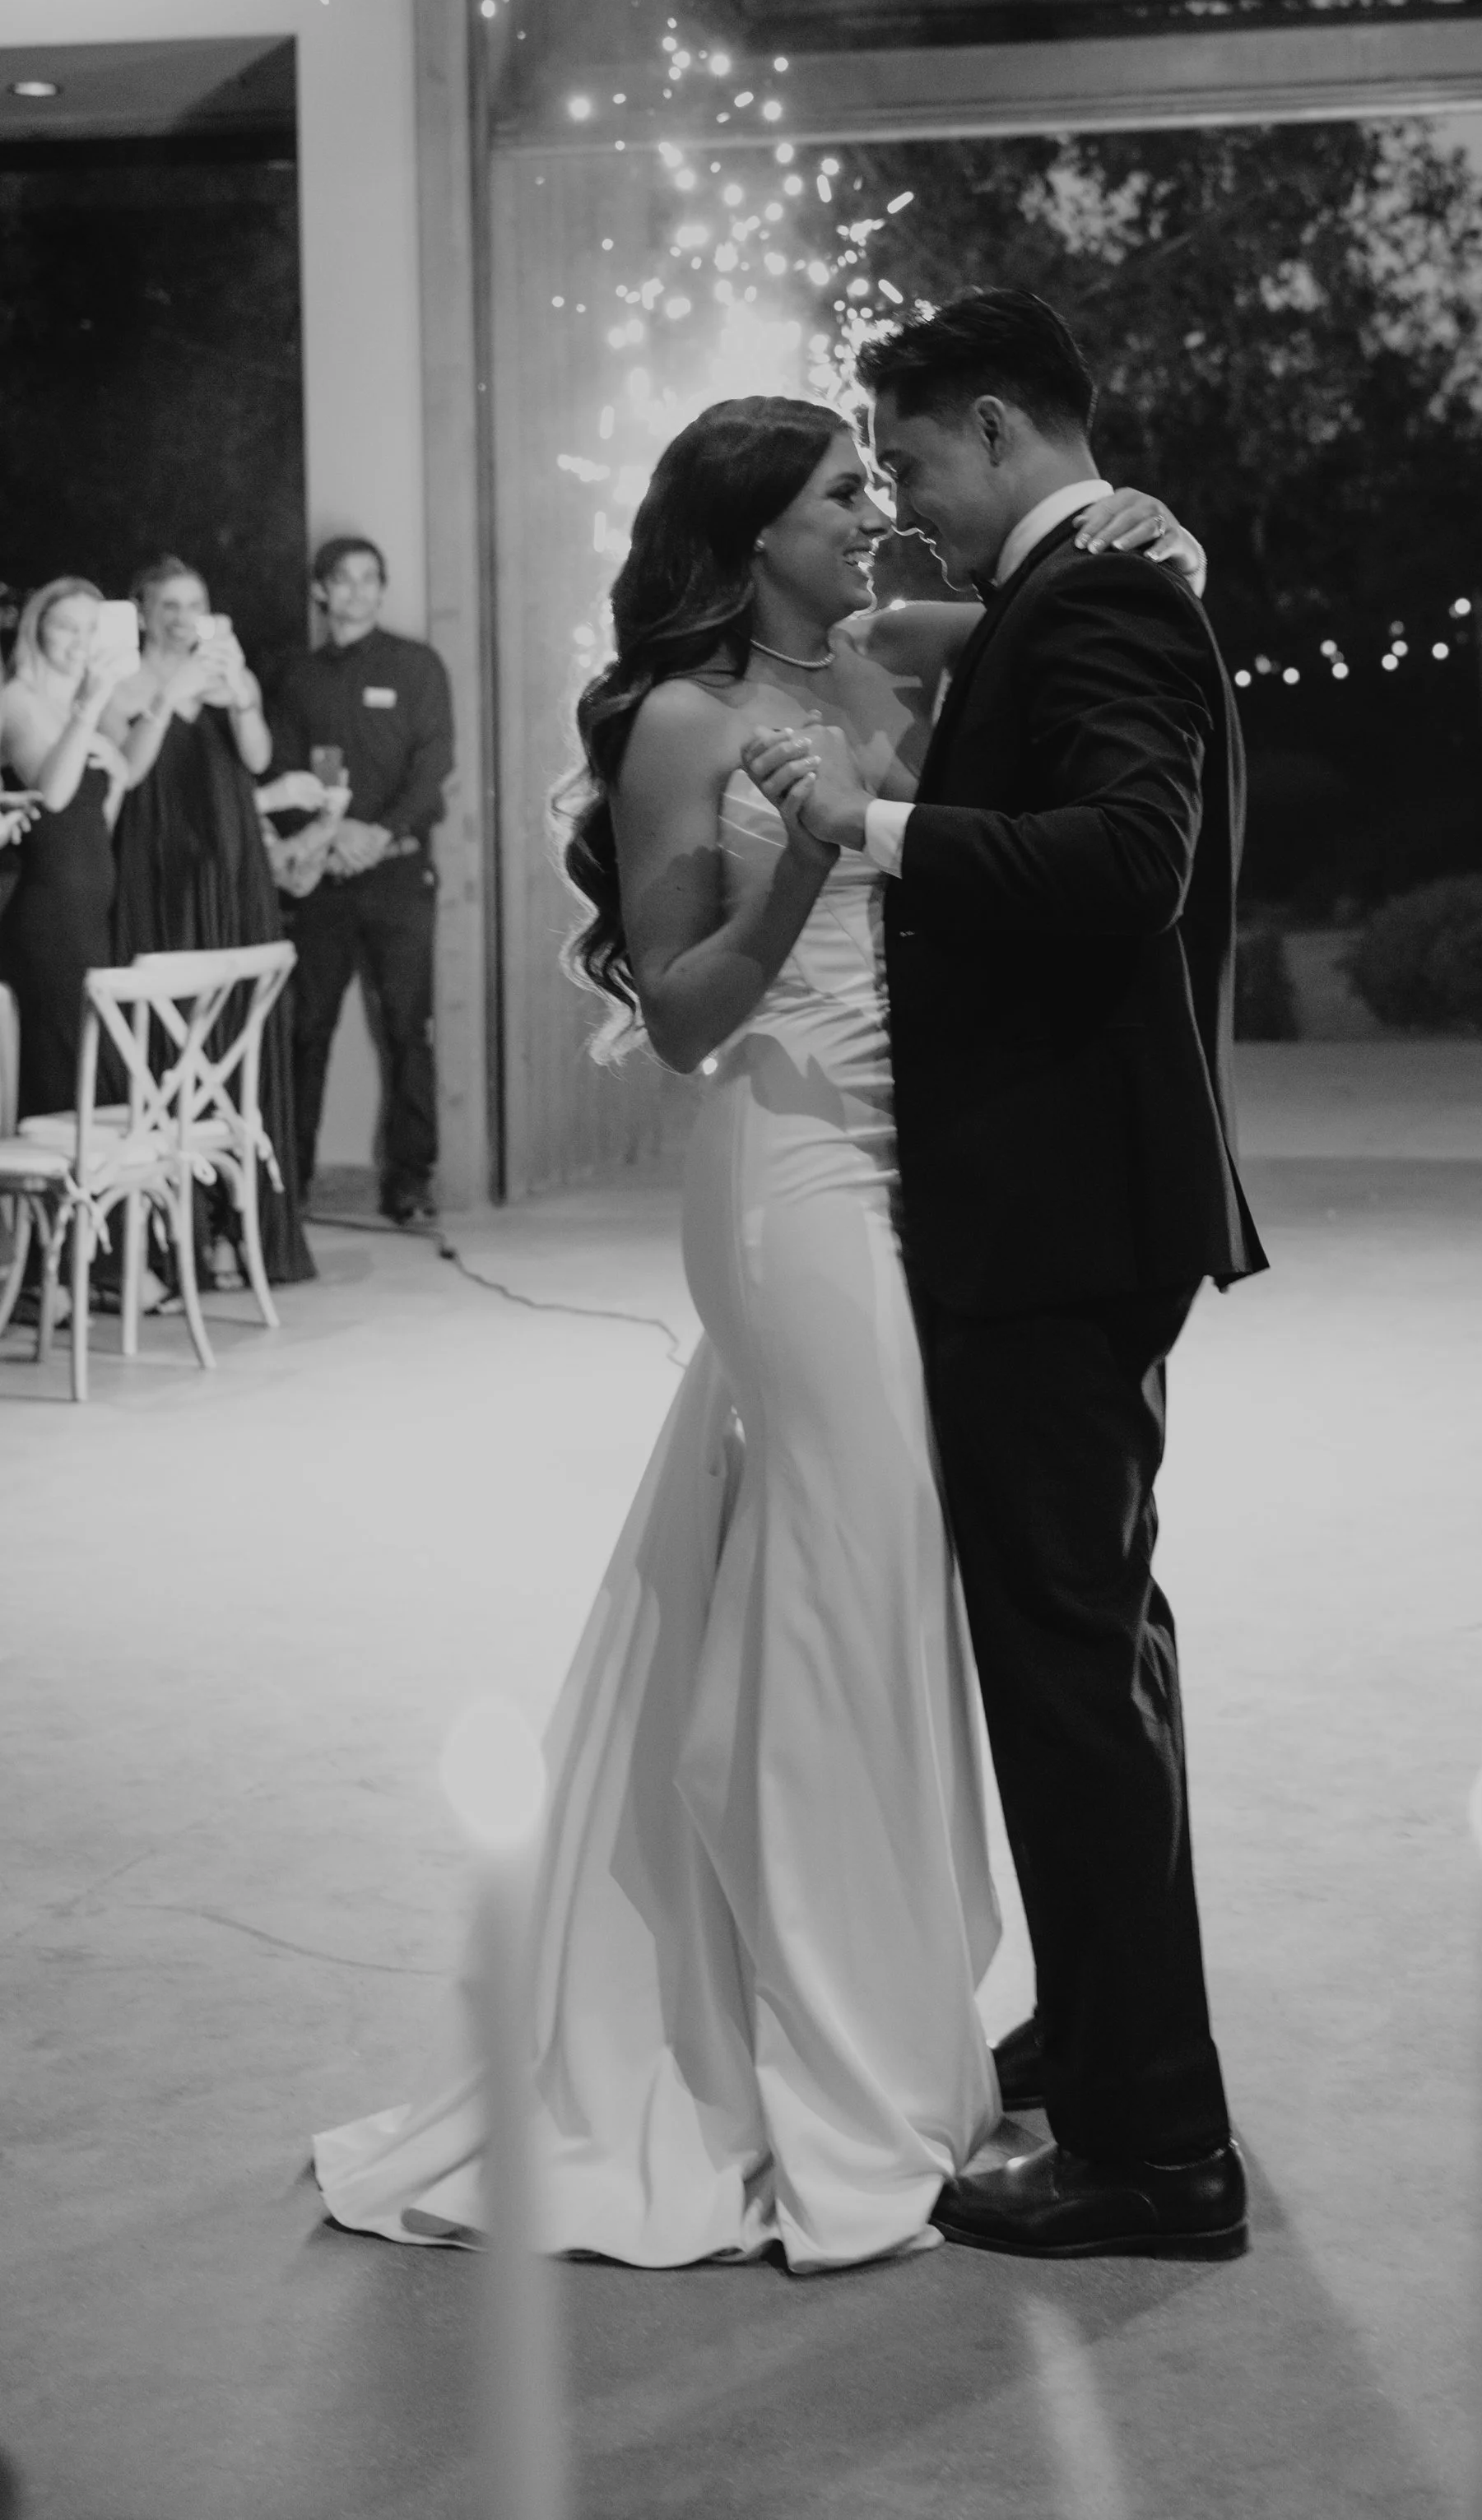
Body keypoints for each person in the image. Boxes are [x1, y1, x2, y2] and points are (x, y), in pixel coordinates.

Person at [312, 397, 1204, 2272]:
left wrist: (1158, 535)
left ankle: (865, 2003)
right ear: (749, 537)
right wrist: (804, 856)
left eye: (879, 479)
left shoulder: (891, 649)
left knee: (871, 1588)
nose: (876, 509)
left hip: (928, 1168)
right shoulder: (679, 723)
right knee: (846, 1578)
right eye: (838, 493)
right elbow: (686, 1013)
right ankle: (824, 2054)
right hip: (790, 1176)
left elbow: (1070, 613)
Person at [754, 289, 1266, 2261]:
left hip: (1056, 1217)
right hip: (1072, 1206)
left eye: (911, 462)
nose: (900, 507)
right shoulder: (1086, 582)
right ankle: (1111, 2020)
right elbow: (1037, 709)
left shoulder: (1104, 591)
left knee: (1066, 1671)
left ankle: (1158, 2151)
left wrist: (870, 824)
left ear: (992, 426)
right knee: (1096, 1649)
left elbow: (1128, 855)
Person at [105, 557, 317, 1286]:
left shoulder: (229, 676)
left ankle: (242, 1228)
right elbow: (127, 773)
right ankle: (174, 1240)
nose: (183, 616)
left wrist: (241, 695)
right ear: (143, 611)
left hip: (233, 878)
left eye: (194, 602)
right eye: (169, 604)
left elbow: (257, 758)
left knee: (237, 1042)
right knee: (163, 1049)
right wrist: (170, 694)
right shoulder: (122, 685)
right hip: (156, 877)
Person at [267, 537, 454, 1224]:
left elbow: (434, 765)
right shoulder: (295, 676)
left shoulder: (417, 666)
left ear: (382, 588)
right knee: (305, 1029)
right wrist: (334, 835)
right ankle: (289, 1182)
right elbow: (282, 766)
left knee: (408, 1029)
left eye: (370, 578)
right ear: (321, 590)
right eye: (343, 579)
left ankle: (410, 1183)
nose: (357, 591)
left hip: (399, 871)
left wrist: (377, 834)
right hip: (321, 876)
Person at [0, 579, 128, 1117]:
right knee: (66, 1076)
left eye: (91, 628)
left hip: (90, 914)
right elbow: (53, 797)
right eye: (67, 627)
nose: (81, 640)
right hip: (46, 915)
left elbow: (93, 823)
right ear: (37, 630)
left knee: (95, 1069)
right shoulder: (17, 701)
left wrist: (117, 775)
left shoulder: (76, 709)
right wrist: (89, 711)